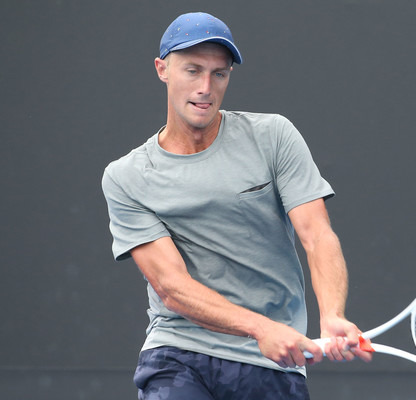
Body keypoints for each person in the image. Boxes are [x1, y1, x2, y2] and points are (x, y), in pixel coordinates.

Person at [101, 11, 372, 399]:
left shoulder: (274, 136)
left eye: (219, 73)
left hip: (271, 364)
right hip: (178, 353)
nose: (206, 87)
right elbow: (171, 287)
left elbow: (317, 234)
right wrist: (260, 328)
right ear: (162, 69)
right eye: (192, 71)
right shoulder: (127, 177)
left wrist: (332, 314)